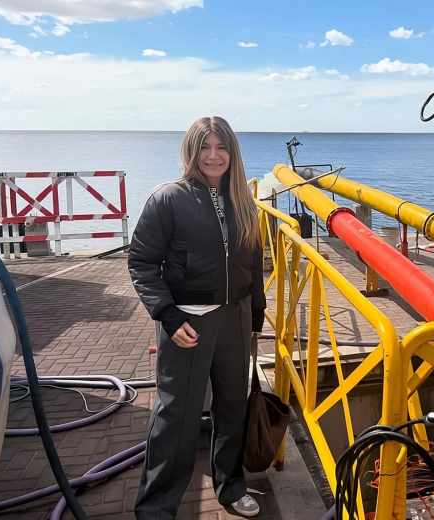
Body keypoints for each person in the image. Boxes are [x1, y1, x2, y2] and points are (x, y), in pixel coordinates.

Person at [128, 116, 266, 518]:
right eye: (205, 147)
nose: (213, 156)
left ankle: (231, 486)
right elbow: (141, 262)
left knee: (232, 407)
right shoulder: (168, 199)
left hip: (234, 319)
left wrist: (254, 313)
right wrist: (168, 317)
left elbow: (253, 263)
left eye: (221, 147)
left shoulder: (244, 201)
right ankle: (156, 507)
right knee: (176, 416)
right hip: (188, 321)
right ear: (191, 151)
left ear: (232, 153)